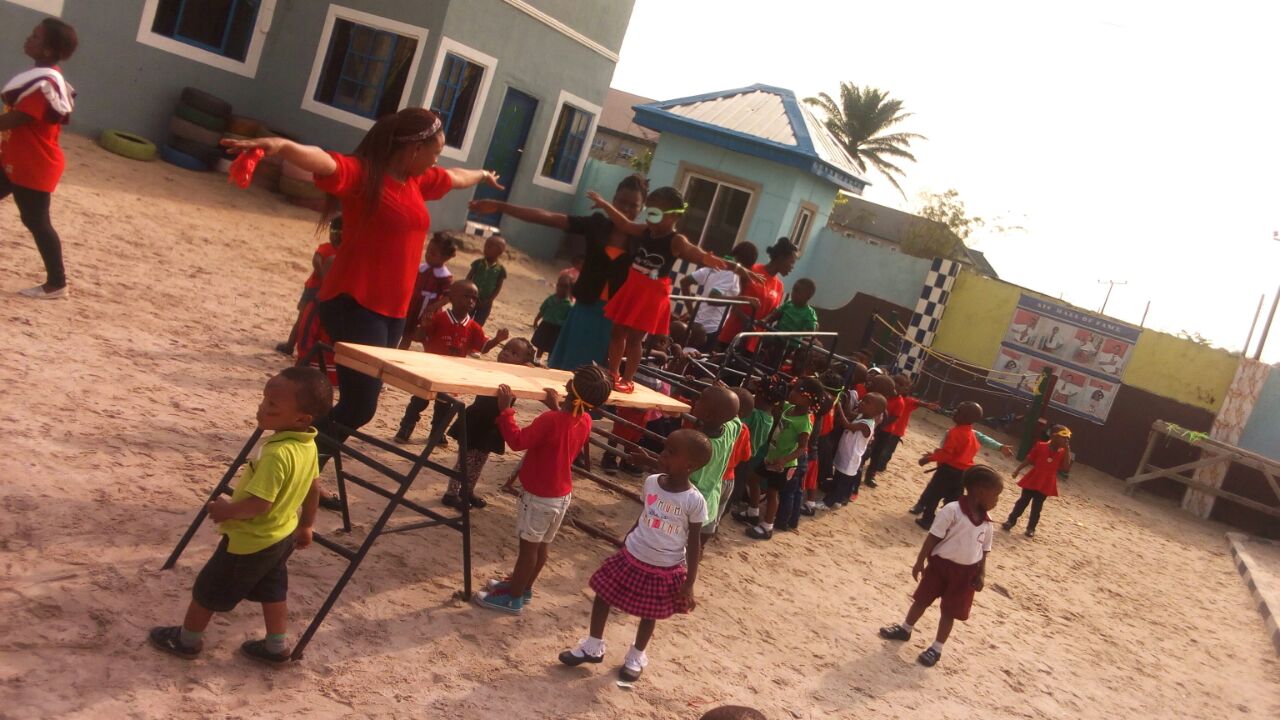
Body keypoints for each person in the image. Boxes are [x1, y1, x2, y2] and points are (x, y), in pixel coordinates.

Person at [224, 108, 504, 509]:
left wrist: (482, 175)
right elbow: (324, 161)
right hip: (353, 302)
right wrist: (279, 145)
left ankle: (304, 478)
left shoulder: (417, 180)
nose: (437, 160)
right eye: (435, 151)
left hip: (391, 313)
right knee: (360, 405)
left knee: (355, 404)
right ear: (413, 148)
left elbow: (456, 177)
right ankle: (294, 477)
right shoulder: (365, 176)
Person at [147, 367, 333, 663]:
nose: (262, 407)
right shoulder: (308, 445)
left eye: (272, 405)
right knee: (273, 591)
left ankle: (186, 641)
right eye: (264, 399)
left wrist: (227, 511)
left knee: (208, 589)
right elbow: (313, 488)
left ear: (302, 419)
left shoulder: (276, 454)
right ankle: (275, 647)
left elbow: (260, 504)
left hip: (249, 540)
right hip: (281, 535)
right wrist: (307, 524)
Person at [557, 429, 713, 681]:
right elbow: (646, 513)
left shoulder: (694, 501)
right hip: (633, 552)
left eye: (672, 452)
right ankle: (593, 646)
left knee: (649, 613)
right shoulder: (652, 482)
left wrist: (689, 582)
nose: (663, 454)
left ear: (690, 466)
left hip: (664, 566)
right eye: (665, 448)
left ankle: (636, 655)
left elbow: (694, 544)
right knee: (603, 593)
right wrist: (627, 540)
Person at [586, 187, 757, 393]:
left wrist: (736, 267)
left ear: (673, 216)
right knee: (616, 332)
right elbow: (624, 224)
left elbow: (698, 253)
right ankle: (613, 372)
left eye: (655, 214)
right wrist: (604, 205)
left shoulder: (676, 240)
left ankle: (628, 379)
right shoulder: (646, 231)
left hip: (651, 293)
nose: (649, 219)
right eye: (648, 212)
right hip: (632, 287)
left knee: (634, 339)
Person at [468, 175, 648, 371]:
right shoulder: (597, 225)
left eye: (633, 205)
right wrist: (500, 206)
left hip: (616, 319)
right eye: (621, 202)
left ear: (642, 208)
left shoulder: (646, 239)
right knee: (568, 369)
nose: (625, 209)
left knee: (601, 375)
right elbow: (548, 217)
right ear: (612, 200)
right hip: (585, 311)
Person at [473, 365, 614, 614]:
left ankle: (513, 598)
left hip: (540, 496)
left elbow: (517, 441)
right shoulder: (585, 419)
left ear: (569, 386)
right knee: (541, 547)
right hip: (560, 495)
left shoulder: (551, 420)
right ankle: (523, 587)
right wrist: (557, 408)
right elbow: (564, 430)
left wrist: (505, 411)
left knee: (528, 550)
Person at [879, 465, 1003, 667]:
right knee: (921, 599)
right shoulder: (952, 510)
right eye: (995, 495)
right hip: (940, 567)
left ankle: (936, 648)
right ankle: (905, 629)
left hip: (965, 574)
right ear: (980, 491)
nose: (996, 501)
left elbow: (984, 550)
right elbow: (932, 537)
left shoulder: (987, 523)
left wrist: (981, 573)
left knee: (949, 612)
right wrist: (920, 561)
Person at [1, 18, 77, 299]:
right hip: (16, 159)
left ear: (47, 50)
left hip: (33, 166)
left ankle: (57, 284)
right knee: (35, 220)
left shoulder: (43, 84)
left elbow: (16, 119)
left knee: (36, 221)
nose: (28, 39)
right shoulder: (43, 77)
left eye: (35, 36)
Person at [394, 280, 509, 451]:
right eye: (466, 296)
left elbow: (483, 347)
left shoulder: (473, 326)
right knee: (419, 401)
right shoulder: (439, 318)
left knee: (444, 406)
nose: (471, 301)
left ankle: (437, 432)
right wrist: (424, 327)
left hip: (452, 374)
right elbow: (418, 337)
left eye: (474, 298)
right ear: (452, 298)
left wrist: (496, 340)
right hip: (430, 369)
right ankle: (406, 426)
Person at [439, 337, 535, 510]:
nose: (506, 353)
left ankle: (467, 492)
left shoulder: (518, 376)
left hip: (492, 426)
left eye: (514, 353)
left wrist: (530, 369)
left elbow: (535, 378)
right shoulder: (492, 369)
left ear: (523, 363)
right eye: (505, 349)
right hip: (475, 422)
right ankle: (451, 494)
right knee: (465, 461)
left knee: (479, 462)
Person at [735, 377, 823, 540]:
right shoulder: (789, 408)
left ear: (807, 399)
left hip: (784, 464)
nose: (792, 392)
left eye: (796, 391)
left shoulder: (804, 422)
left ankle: (767, 526)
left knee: (772, 492)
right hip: (771, 457)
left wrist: (784, 460)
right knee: (753, 478)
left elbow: (802, 448)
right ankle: (753, 511)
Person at [717, 238, 799, 353]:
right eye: (791, 262)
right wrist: (747, 321)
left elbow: (772, 313)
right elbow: (735, 302)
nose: (792, 267)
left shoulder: (779, 286)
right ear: (781, 258)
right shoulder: (752, 270)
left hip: (752, 344)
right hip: (732, 336)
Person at [862, 374, 941, 489]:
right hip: (875, 428)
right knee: (867, 450)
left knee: (880, 454)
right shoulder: (883, 397)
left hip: (886, 431)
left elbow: (895, 417)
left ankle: (871, 475)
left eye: (901, 385)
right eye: (896, 382)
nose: (897, 386)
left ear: (906, 389)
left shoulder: (901, 401)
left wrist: (880, 425)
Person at [278, 216, 342, 355]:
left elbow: (316, 260)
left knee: (304, 319)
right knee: (308, 320)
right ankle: (294, 345)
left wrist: (324, 277)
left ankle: (291, 345)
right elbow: (317, 261)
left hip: (316, 288)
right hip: (321, 290)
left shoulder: (328, 248)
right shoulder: (338, 251)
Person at [914, 401, 983, 530]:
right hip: (962, 474)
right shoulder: (972, 435)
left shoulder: (955, 432)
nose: (954, 412)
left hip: (947, 471)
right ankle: (948, 524)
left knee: (934, 495)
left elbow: (947, 454)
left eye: (958, 411)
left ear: (966, 417)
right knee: (952, 501)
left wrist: (929, 459)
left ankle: (927, 520)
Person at [818, 392, 887, 509]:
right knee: (838, 477)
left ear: (876, 411)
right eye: (862, 400)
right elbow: (849, 413)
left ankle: (828, 503)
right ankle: (838, 500)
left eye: (867, 402)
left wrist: (839, 406)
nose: (862, 403)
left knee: (841, 482)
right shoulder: (861, 416)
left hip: (851, 458)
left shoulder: (866, 424)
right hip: (845, 454)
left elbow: (847, 425)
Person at [679, 242, 760, 340]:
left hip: (697, 324)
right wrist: (744, 299)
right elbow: (712, 298)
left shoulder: (717, 264)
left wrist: (691, 313)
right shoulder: (732, 274)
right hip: (710, 329)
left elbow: (684, 282)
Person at [1003, 425, 1072, 537]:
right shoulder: (1041, 446)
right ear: (1053, 436)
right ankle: (1010, 521)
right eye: (1063, 437)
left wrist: (1067, 450)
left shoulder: (1063, 452)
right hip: (1033, 479)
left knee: (1037, 507)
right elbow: (1029, 459)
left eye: (1068, 438)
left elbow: (1066, 468)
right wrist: (1018, 470)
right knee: (1022, 502)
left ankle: (1031, 528)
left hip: (1046, 483)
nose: (1066, 440)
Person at [399, 232, 459, 349]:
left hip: (428, 309)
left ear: (445, 257)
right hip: (414, 305)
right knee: (408, 331)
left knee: (426, 334)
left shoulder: (445, 276)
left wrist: (434, 306)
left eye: (433, 253)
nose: (427, 255)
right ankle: (402, 349)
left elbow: (448, 296)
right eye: (427, 251)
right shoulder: (422, 268)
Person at [467, 235, 507, 326]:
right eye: (485, 246)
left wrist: (490, 300)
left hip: (486, 302)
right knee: (466, 318)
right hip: (472, 298)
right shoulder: (478, 263)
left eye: (489, 247)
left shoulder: (500, 269)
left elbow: (498, 286)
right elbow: (469, 277)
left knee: (478, 323)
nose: (485, 249)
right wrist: (468, 293)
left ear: (499, 252)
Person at [532, 273, 573, 361]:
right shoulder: (550, 299)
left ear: (570, 289)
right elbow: (542, 311)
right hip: (546, 325)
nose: (562, 289)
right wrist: (536, 320)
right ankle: (537, 360)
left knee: (553, 347)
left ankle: (550, 362)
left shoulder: (569, 305)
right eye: (560, 285)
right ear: (557, 286)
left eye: (565, 287)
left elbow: (568, 321)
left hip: (558, 329)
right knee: (541, 345)